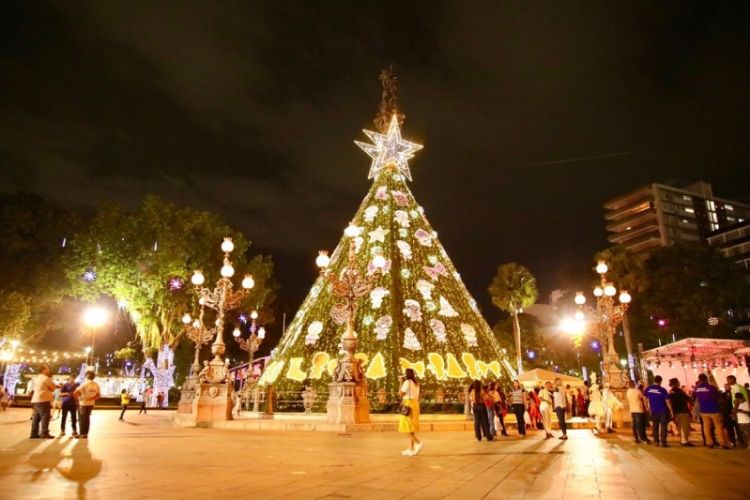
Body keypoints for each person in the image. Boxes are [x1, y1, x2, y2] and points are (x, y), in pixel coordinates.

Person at [693, 373, 729, 449]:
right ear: (706, 379)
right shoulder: (712, 388)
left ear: (699, 379)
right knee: (719, 426)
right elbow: (718, 397)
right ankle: (722, 443)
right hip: (714, 409)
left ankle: (709, 442)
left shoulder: (697, 389)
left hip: (704, 410)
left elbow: (696, 398)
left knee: (706, 427)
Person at [397, 369, 422, 456]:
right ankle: (411, 449)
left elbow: (400, 394)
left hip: (408, 405)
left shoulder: (407, 382)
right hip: (415, 404)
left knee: (404, 427)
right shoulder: (416, 383)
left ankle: (418, 443)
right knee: (411, 428)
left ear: (406, 374)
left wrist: (400, 382)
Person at [30, 365, 58, 439]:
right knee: (45, 416)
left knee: (36, 417)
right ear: (44, 370)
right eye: (47, 369)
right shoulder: (45, 378)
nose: (48, 370)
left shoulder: (37, 378)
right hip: (43, 400)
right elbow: (53, 387)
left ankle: (34, 433)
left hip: (35, 400)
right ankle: (44, 433)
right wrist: (50, 388)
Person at [644, 375, 673, 447]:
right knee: (663, 426)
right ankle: (663, 442)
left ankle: (656, 441)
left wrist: (647, 407)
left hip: (653, 410)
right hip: (663, 410)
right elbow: (667, 401)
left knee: (655, 426)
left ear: (654, 380)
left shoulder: (648, 389)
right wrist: (671, 410)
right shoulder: (662, 390)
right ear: (660, 381)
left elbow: (644, 398)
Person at [75, 371, 101, 439]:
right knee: (87, 418)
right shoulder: (96, 384)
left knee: (82, 419)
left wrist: (80, 398)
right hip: (91, 404)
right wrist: (92, 398)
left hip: (83, 404)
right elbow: (98, 395)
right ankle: (85, 433)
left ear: (86, 376)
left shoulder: (84, 383)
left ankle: (82, 433)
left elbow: (75, 393)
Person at [668, 378, 693, 446]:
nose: (679, 383)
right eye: (678, 382)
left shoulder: (671, 392)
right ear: (676, 383)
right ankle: (684, 441)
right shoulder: (679, 391)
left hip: (675, 411)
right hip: (682, 411)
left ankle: (682, 440)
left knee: (680, 427)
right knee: (684, 427)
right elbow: (687, 398)